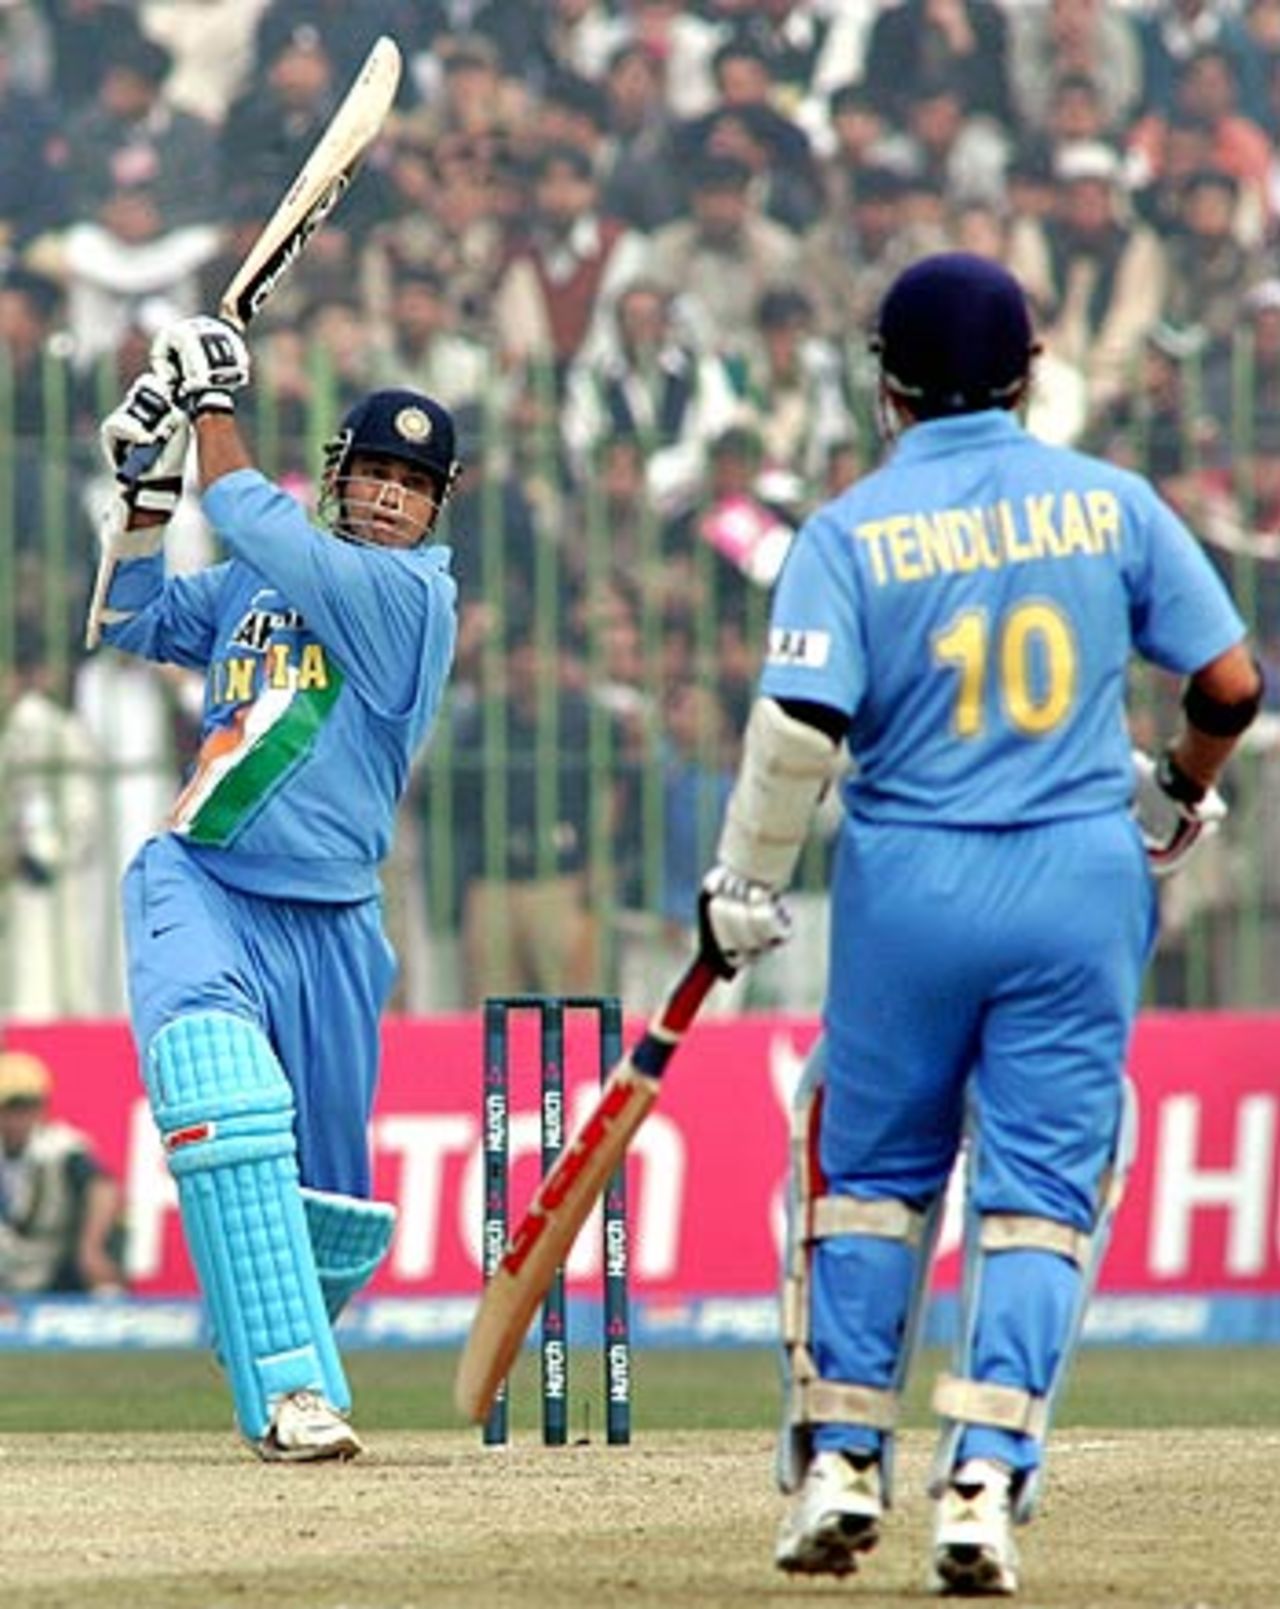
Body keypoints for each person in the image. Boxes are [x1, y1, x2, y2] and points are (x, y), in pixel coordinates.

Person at [694, 253, 1261, 1594]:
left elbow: (797, 732)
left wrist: (741, 884)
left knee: (872, 1180)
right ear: (1031, 373)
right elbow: (1231, 683)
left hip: (911, 889)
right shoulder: (1111, 502)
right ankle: (983, 1485)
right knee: (1039, 1198)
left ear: (885, 386)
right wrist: (1178, 787)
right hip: (1077, 883)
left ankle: (841, 1459)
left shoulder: (847, 531)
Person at [87, 314, 462, 1461]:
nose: (393, 496)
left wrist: (207, 405)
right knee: (223, 1096)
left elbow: (246, 501)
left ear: (437, 507)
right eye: (377, 472)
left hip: (336, 925)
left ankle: (262, 1319)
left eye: (417, 483)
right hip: (202, 879)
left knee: (331, 1217)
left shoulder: (409, 600)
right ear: (341, 474)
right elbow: (129, 618)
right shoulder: (261, 575)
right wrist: (142, 491)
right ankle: (296, 1393)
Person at [0, 1050, 126, 1294]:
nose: (19, 1118)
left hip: (57, 1258)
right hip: (9, 1259)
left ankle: (106, 1311)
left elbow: (103, 1188)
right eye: (10, 1109)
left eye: (28, 1107)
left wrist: (91, 1248)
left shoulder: (61, 1146)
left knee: (114, 1233)